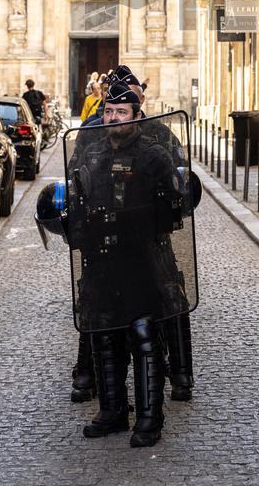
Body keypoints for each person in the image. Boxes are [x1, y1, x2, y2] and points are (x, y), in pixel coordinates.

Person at [68, 80, 190, 447]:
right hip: (102, 260)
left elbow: (174, 207)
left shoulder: (155, 155)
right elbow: (79, 198)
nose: (113, 117)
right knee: (105, 333)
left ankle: (150, 417)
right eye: (108, 111)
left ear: (137, 116)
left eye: (121, 112)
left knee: (144, 336)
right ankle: (113, 411)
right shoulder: (93, 153)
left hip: (141, 257)